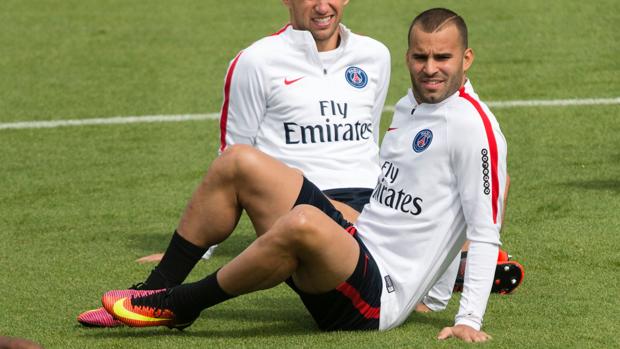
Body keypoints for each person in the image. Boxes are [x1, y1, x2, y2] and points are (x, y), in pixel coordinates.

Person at [98, 8, 507, 342]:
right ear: (408, 58)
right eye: (421, 58)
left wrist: (465, 317)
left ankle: (178, 305)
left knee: (305, 221)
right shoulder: (410, 106)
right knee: (239, 161)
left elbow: (483, 228)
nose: (430, 69)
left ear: (466, 59)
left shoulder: (473, 127)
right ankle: (151, 288)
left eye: (443, 58)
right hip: (360, 243)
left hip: (378, 297)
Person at [77, 0, 390, 327]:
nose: (322, 6)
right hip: (296, 206)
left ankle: (165, 297)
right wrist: (201, 249)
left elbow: (372, 145)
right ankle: (155, 291)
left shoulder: (375, 56)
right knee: (237, 161)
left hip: (365, 217)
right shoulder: (257, 61)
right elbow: (228, 161)